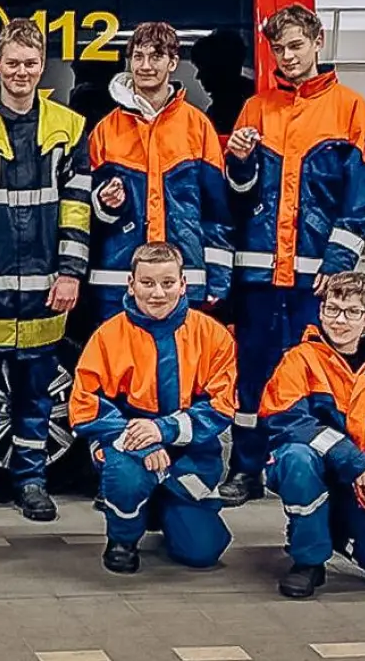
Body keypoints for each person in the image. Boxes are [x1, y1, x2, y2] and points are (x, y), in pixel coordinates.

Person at [220, 3, 365, 506]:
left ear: (317, 42)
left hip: (314, 279)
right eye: (279, 49)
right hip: (259, 279)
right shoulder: (255, 108)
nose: (287, 57)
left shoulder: (350, 109)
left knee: (312, 375)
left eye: (295, 46)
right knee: (252, 373)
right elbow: (238, 194)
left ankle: (302, 465)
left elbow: (364, 195)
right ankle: (245, 468)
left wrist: (336, 264)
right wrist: (241, 162)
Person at [0, 17, 90, 522]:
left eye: (30, 63)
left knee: (35, 399)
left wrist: (70, 270)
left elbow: (76, 205)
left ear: (41, 66)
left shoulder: (68, 127)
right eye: (13, 63)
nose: (21, 72)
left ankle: (30, 482)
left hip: (46, 290)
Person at [69, 242, 236, 574]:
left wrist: (163, 430)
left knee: (203, 551)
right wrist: (144, 441)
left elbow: (221, 407)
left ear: (183, 284)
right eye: (147, 283)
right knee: (126, 478)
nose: (157, 293)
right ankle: (123, 538)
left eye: (167, 283)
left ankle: (163, 506)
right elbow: (85, 406)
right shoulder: (108, 335)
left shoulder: (213, 336)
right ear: (131, 284)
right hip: (128, 451)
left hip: (189, 455)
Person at [260, 272, 365, 597]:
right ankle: (308, 561)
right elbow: (285, 419)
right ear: (320, 312)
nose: (339, 320)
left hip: (356, 485)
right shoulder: (299, 360)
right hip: (310, 472)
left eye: (351, 312)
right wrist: (352, 459)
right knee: (297, 457)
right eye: (332, 309)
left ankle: (335, 528)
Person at [87, 21, 233, 317]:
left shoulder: (197, 127)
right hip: (117, 283)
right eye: (138, 57)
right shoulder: (105, 131)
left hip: (182, 283)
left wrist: (218, 278)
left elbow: (217, 213)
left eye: (156, 57)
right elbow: (85, 213)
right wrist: (104, 203)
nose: (145, 66)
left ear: (173, 62)